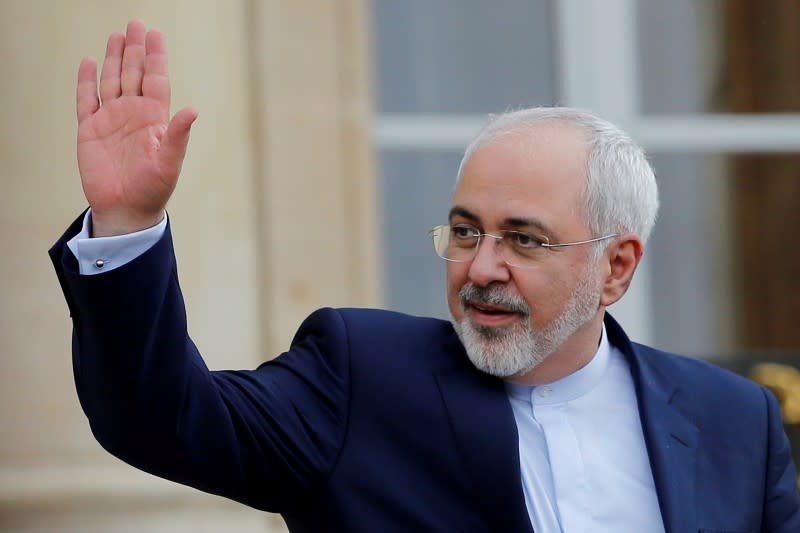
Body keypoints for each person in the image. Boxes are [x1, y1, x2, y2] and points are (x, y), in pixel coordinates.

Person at [49, 20, 799, 533]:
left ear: (616, 266)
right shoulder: (361, 379)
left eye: (524, 239)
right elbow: (158, 417)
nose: (481, 267)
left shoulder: (735, 421)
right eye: (466, 230)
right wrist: (126, 225)